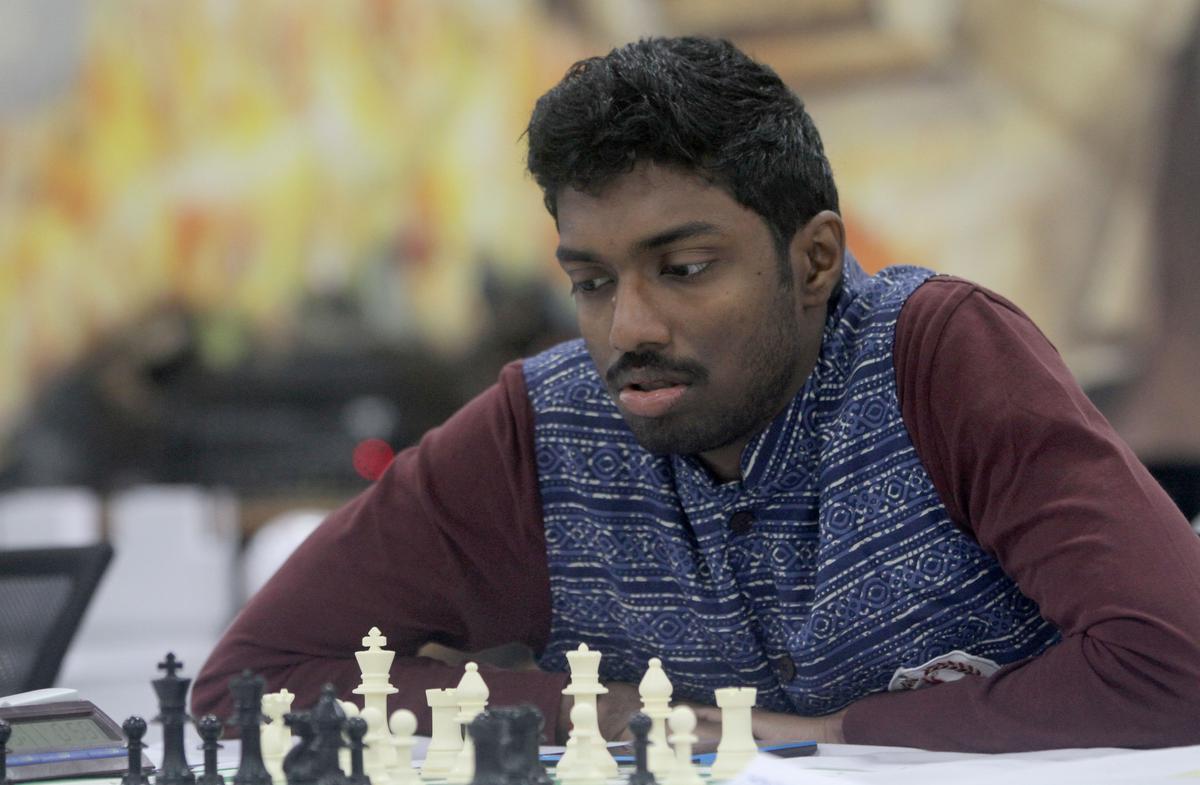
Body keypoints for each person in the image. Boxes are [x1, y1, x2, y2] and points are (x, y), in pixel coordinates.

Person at [192, 37, 1200, 752]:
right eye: (591, 281)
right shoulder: (537, 428)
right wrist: (617, 711)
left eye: (682, 268)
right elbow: (249, 681)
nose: (627, 327)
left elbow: (1178, 664)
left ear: (812, 260)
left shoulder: (940, 355)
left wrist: (841, 731)